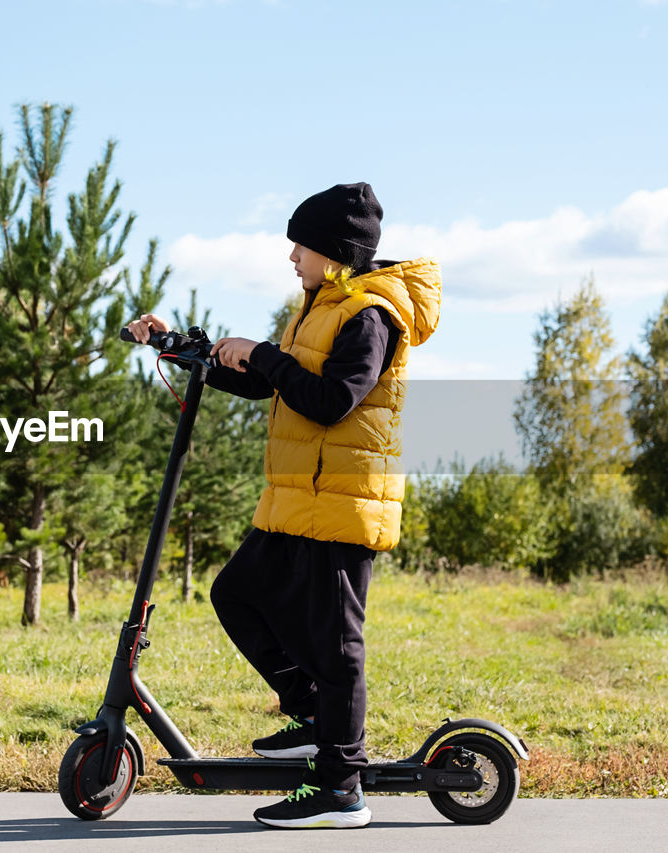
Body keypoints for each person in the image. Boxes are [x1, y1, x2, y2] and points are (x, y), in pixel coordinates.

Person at [126, 182, 441, 829]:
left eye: (300, 244)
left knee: (337, 646)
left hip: (344, 505)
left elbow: (330, 400)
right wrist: (182, 347)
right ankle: (308, 714)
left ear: (332, 250)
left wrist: (264, 354)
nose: (292, 256)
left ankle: (340, 788)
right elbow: (274, 383)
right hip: (301, 501)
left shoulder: (371, 315)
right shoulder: (321, 305)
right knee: (236, 592)